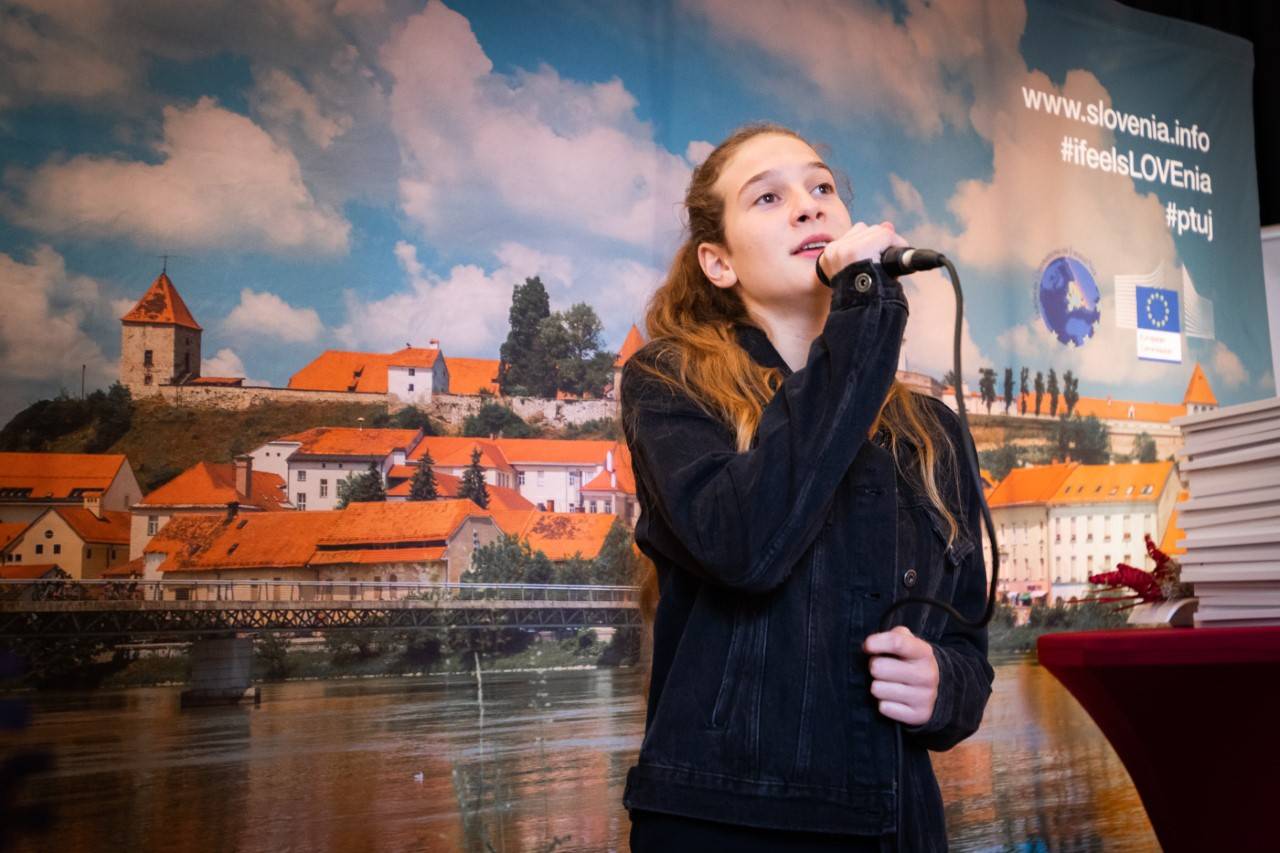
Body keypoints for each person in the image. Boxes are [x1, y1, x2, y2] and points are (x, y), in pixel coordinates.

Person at [619, 123, 994, 852]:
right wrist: (864, 308)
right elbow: (744, 545)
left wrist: (942, 686)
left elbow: (968, 651)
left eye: (822, 186)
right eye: (768, 197)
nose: (808, 205)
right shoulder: (667, 383)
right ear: (718, 262)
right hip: (729, 826)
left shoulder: (933, 432)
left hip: (897, 825)